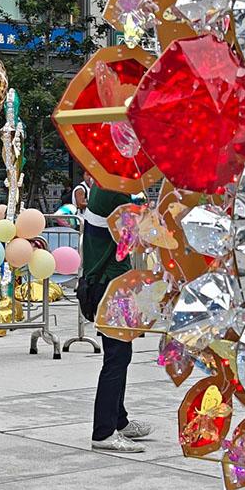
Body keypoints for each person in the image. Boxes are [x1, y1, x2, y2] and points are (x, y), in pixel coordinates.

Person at [83, 184, 153, 453]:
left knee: (119, 355)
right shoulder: (114, 193)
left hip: (107, 284)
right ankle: (104, 432)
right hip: (111, 287)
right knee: (117, 357)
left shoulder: (103, 188)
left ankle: (118, 420)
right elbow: (140, 236)